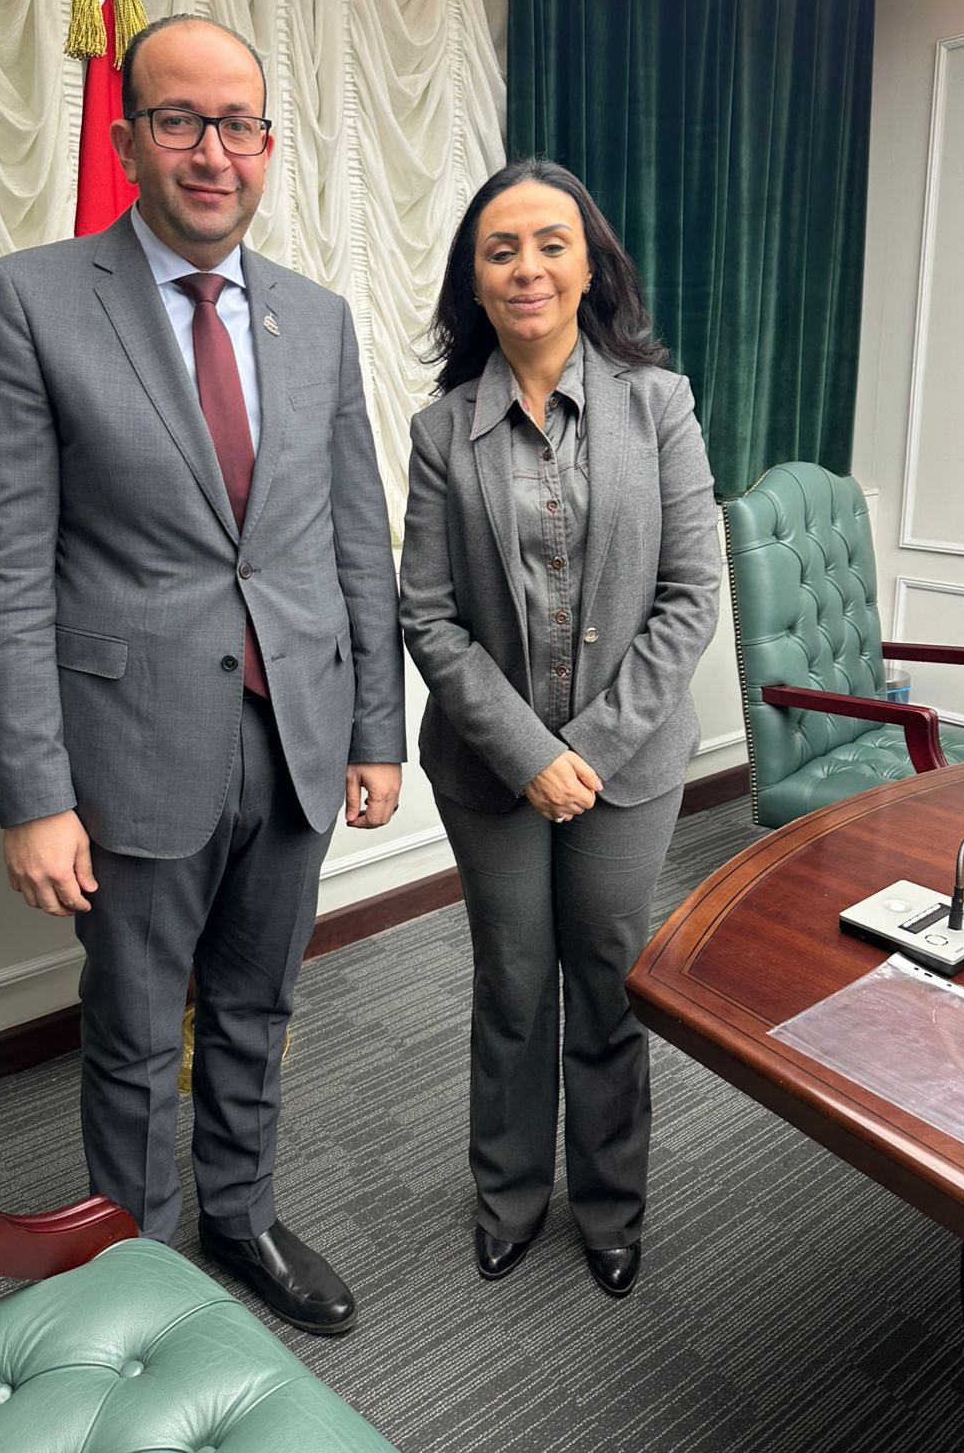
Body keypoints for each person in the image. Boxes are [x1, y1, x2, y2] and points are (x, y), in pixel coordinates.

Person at [0, 14, 405, 1336]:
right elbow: (5, 566)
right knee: (138, 1031)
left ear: (268, 144)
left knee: (260, 1006)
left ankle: (242, 1214)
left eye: (239, 125)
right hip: (131, 747)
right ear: (128, 137)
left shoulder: (317, 318)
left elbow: (353, 536)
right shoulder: (30, 298)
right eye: (180, 121)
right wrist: (34, 796)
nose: (214, 152)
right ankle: (142, 1285)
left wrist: (377, 729)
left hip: (297, 735)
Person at [399, 158, 719, 1299]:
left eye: (550, 244)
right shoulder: (442, 432)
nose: (527, 267)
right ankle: (510, 1195)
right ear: (475, 282)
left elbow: (691, 596)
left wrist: (592, 750)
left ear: (591, 268)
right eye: (501, 250)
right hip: (490, 771)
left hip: (630, 766)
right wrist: (533, 756)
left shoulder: (658, 404)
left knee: (609, 977)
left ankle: (611, 1204)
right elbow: (427, 616)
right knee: (514, 980)